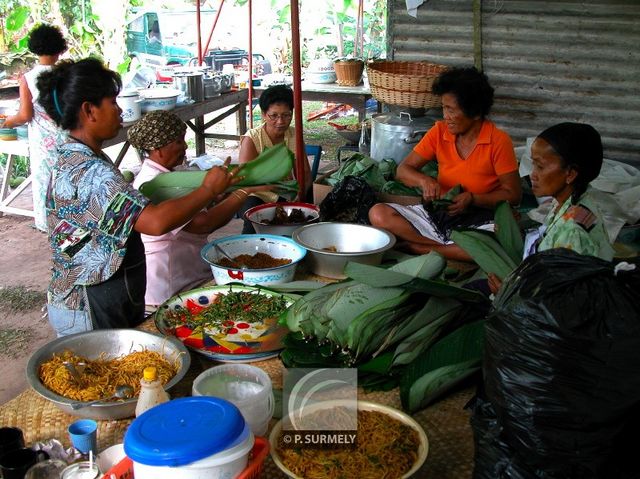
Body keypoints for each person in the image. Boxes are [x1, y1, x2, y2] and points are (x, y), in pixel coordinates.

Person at [36, 58, 239, 337]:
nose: (121, 111)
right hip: (89, 305)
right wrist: (208, 190)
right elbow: (154, 222)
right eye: (112, 102)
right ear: (89, 110)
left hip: (98, 296)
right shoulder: (89, 171)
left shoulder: (74, 157)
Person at [368, 67, 522, 260]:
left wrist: (473, 199)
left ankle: (420, 248)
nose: (445, 116)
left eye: (451, 110)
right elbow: (403, 170)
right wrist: (424, 181)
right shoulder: (439, 132)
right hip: (439, 214)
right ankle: (449, 247)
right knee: (378, 213)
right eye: (443, 108)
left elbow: (513, 195)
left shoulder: (498, 141)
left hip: (481, 217)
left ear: (475, 113)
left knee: (495, 241)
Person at [128, 110, 272, 306]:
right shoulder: (154, 184)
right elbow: (203, 224)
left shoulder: (173, 174)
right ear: (157, 148)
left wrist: (218, 194)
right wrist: (243, 192)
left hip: (190, 275)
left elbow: (200, 210)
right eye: (178, 141)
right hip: (169, 287)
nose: (185, 146)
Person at [487, 122, 615, 293]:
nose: (532, 174)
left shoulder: (573, 235)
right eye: (533, 165)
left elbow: (560, 301)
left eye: (540, 166)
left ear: (570, 174)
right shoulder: (574, 201)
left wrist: (508, 293)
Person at [4, 24, 68, 232]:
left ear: (34, 48)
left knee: (45, 184)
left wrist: (8, 122)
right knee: (69, 180)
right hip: (70, 136)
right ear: (60, 48)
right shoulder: (69, 75)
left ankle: (47, 225)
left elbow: (24, 115)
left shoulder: (29, 78)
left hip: (44, 144)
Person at [237, 84, 311, 233]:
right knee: (253, 217)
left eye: (286, 115)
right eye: (274, 115)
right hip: (257, 193)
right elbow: (246, 181)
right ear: (264, 114)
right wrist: (276, 194)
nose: (280, 121)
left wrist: (300, 193)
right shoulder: (252, 139)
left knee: (306, 213)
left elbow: (304, 173)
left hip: (285, 190)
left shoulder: (294, 135)